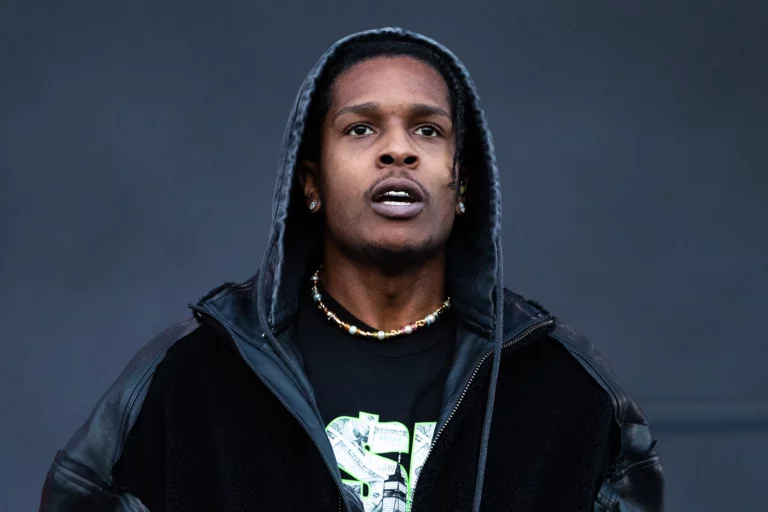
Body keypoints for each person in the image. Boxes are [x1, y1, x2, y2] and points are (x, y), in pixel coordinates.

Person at [39, 28, 664, 512]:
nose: (398, 149)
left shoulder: (565, 387)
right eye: (361, 128)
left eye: (428, 129)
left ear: (462, 184)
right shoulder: (192, 374)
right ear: (310, 182)